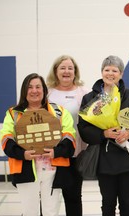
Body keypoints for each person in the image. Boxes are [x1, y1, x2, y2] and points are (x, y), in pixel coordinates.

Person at [77, 55, 129, 216]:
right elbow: (83, 128)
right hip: (104, 157)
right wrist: (103, 133)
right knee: (107, 202)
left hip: (127, 158)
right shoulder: (90, 98)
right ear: (101, 72)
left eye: (114, 70)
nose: (110, 73)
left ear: (121, 74)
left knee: (126, 202)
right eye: (107, 69)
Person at [0, 73, 76, 216]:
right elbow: (6, 139)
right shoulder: (13, 113)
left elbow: (70, 137)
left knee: (51, 212)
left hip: (53, 171)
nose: (34, 90)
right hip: (25, 170)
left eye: (38, 87)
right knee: (30, 212)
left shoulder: (59, 112)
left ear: (44, 90)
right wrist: (22, 154)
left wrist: (56, 152)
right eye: (30, 87)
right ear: (24, 90)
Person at [46, 55, 89, 216]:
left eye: (70, 68)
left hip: (75, 153)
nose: (66, 71)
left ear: (75, 72)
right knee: (49, 199)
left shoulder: (84, 92)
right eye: (63, 68)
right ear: (55, 71)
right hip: (49, 155)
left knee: (73, 197)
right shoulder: (47, 93)